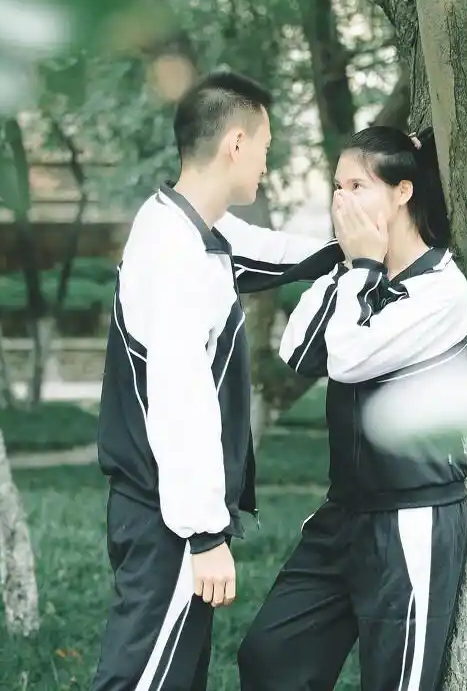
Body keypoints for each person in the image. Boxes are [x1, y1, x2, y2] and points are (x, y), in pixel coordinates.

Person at [91, 71, 342, 691]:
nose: (266, 163)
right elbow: (181, 402)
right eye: (265, 147)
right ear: (235, 143)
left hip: (160, 513)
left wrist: (360, 244)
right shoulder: (174, 255)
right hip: (166, 520)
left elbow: (266, 254)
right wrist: (204, 536)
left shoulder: (186, 227)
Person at [237, 126, 467, 691]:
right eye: (337, 187)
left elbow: (346, 360)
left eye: (357, 186)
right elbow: (299, 352)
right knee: (270, 657)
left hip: (411, 519)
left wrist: (362, 267)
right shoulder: (352, 272)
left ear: (402, 192)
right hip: (342, 515)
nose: (341, 200)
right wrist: (351, 267)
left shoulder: (441, 290)